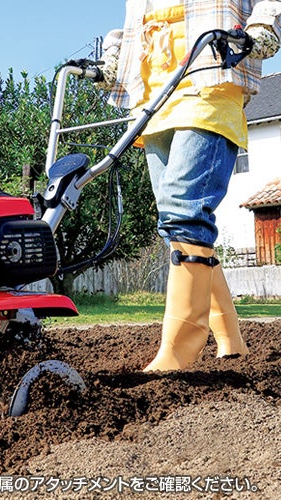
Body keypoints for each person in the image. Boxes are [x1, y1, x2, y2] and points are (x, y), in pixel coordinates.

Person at [97, 0, 281, 371]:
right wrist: (113, 55)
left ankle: (180, 349)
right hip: (153, 93)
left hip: (210, 77)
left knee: (183, 210)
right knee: (176, 226)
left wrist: (262, 28)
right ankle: (230, 337)